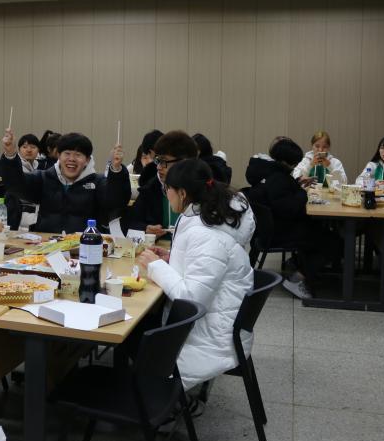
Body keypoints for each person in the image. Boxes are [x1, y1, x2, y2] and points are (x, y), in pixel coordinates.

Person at [136, 159, 254, 391]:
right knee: (138, 326)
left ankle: (147, 396)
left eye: (167, 189)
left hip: (209, 339)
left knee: (133, 332)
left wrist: (156, 266)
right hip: (212, 324)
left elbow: (191, 300)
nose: (166, 194)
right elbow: (203, 269)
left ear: (182, 193)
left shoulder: (207, 234)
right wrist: (171, 259)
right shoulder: (206, 218)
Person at [249, 138, 338, 300]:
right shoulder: (279, 178)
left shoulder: (269, 172)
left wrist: (297, 184)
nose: (295, 166)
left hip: (271, 228)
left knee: (322, 232)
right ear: (285, 162)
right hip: (279, 232)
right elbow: (288, 208)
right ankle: (298, 279)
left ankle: (300, 266)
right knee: (332, 241)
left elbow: (281, 196)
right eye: (294, 163)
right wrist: (302, 192)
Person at [0, 128, 130, 233]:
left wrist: (116, 170)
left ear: (87, 160)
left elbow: (116, 202)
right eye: (67, 153)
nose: (71, 159)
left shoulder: (97, 182)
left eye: (78, 155)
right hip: (46, 246)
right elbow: (16, 186)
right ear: (58, 156)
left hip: (84, 246)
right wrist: (10, 155)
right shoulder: (44, 178)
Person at [126, 130, 198, 239]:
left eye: (164, 162)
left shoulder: (202, 192)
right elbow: (131, 223)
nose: (158, 167)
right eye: (158, 161)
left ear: (183, 162)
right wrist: (145, 228)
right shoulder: (151, 188)